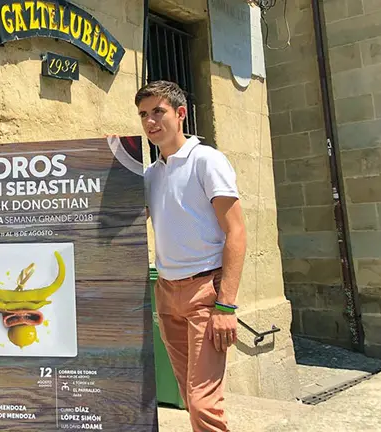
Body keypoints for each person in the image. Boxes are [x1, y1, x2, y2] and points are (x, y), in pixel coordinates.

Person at [137, 80, 246, 432]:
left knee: (203, 404)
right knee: (189, 395)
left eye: (158, 111)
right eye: (143, 114)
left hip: (206, 293)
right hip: (167, 294)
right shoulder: (150, 175)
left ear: (180, 113)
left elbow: (236, 232)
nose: (150, 121)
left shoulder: (206, 160)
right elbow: (124, 225)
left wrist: (226, 306)